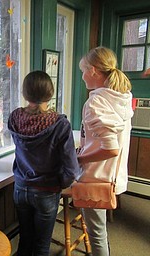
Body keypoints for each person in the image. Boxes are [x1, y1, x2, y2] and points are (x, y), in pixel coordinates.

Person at [8, 70, 81, 256]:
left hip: (20, 188)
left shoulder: (15, 117)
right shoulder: (59, 124)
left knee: (25, 241)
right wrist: (60, 184)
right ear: (50, 93)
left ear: (25, 94)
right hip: (46, 191)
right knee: (41, 247)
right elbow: (72, 170)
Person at [77, 46, 134, 256]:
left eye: (83, 71)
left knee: (96, 234)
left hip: (97, 176)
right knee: (100, 231)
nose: (82, 77)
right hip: (112, 175)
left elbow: (110, 148)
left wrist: (80, 157)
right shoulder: (122, 96)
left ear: (93, 71)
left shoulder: (96, 101)